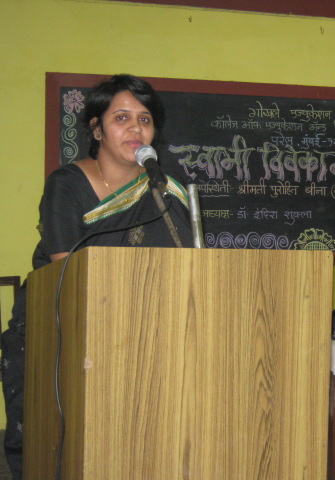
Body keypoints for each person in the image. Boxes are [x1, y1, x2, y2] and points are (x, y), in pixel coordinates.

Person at [0, 74, 193, 479]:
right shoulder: (66, 184)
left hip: (145, 333)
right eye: (121, 118)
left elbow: (189, 268)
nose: (136, 128)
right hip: (62, 330)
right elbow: (65, 266)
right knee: (62, 448)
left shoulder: (165, 190)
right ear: (96, 129)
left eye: (144, 119)